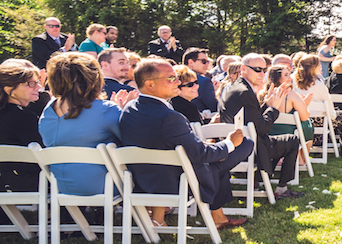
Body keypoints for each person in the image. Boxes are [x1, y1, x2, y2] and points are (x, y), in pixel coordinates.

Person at [119, 59, 251, 228]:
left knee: (220, 162)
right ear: (150, 85)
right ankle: (218, 218)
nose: (178, 82)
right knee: (243, 145)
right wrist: (230, 143)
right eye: (171, 79)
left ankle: (161, 219)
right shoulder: (169, 117)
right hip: (177, 182)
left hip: (143, 179)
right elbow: (201, 154)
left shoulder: (130, 109)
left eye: (176, 77)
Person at [39, 53, 133, 197]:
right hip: (105, 186)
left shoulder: (47, 112)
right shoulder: (106, 110)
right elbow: (130, 142)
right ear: (94, 79)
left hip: (62, 187)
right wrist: (124, 111)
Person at [219, 54, 301, 199]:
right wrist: (273, 109)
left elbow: (252, 119)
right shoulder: (245, 93)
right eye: (257, 70)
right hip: (250, 149)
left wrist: (266, 105)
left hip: (238, 144)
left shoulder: (235, 87)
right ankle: (281, 188)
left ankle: (260, 179)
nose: (262, 74)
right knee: (293, 140)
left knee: (280, 141)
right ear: (243, 69)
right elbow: (262, 128)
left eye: (264, 70)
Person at [294, 53, 342, 156]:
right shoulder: (319, 85)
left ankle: (317, 143)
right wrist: (332, 115)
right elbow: (329, 105)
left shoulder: (294, 83)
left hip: (301, 120)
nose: (321, 66)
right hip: (320, 120)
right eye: (319, 65)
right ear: (313, 67)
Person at [0, 59, 44, 192]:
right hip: (27, 184)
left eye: (37, 81)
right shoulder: (23, 117)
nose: (39, 87)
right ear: (9, 89)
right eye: (31, 83)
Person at [264, 65, 313, 164]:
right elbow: (305, 116)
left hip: (267, 132)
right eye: (286, 75)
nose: (290, 77)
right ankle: (302, 159)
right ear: (276, 78)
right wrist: (304, 105)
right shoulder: (291, 95)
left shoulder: (263, 94)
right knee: (308, 123)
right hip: (288, 134)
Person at [183, 48, 217, 114]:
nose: (207, 64)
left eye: (208, 62)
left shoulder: (175, 79)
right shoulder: (204, 81)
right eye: (204, 61)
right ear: (191, 62)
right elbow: (214, 107)